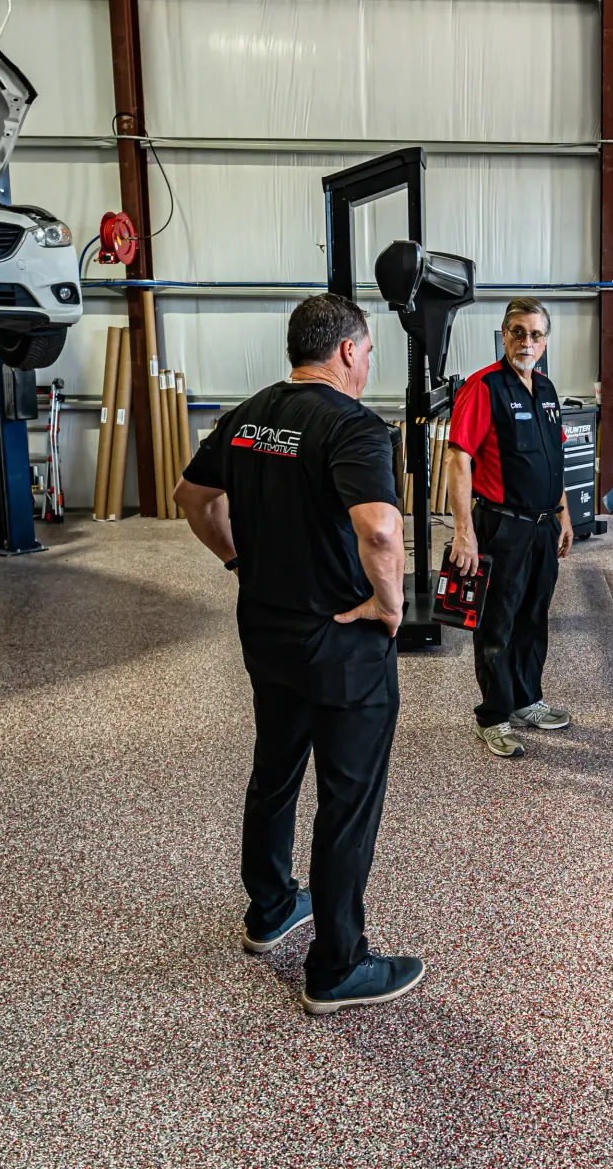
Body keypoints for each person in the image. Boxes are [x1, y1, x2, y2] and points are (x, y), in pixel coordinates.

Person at [173, 292, 425, 1016]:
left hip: (267, 628)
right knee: (348, 801)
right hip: (341, 639)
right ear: (347, 350)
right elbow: (378, 529)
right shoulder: (354, 426)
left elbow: (193, 498)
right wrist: (389, 604)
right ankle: (338, 966)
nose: (368, 362)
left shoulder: (248, 415)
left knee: (276, 770)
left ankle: (271, 908)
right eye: (369, 350)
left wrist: (236, 562)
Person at [445, 297, 575, 758]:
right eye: (518, 332)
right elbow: (458, 458)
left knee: (533, 616)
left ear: (545, 341)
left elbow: (553, 459)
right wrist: (465, 531)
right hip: (501, 526)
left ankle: (526, 700)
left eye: (536, 334)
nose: (527, 341)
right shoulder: (484, 387)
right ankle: (494, 716)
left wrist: (563, 514)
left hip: (542, 527)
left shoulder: (547, 389)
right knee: (496, 623)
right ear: (503, 335)